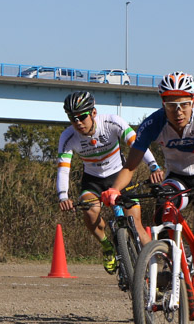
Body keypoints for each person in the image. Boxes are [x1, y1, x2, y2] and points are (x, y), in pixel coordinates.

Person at [101, 72, 194, 324]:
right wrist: (114, 190)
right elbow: (130, 165)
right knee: (163, 215)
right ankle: (174, 260)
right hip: (177, 178)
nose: (178, 111)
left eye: (184, 103)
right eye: (170, 104)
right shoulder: (153, 123)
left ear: (193, 100)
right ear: (162, 103)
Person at [56, 91, 163, 273]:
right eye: (73, 119)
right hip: (93, 181)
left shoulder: (112, 122)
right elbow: (63, 169)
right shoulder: (68, 137)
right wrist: (63, 196)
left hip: (119, 177)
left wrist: (154, 166)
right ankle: (107, 247)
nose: (78, 123)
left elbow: (138, 144)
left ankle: (157, 274)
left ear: (94, 113)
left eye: (82, 117)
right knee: (91, 212)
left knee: (136, 224)